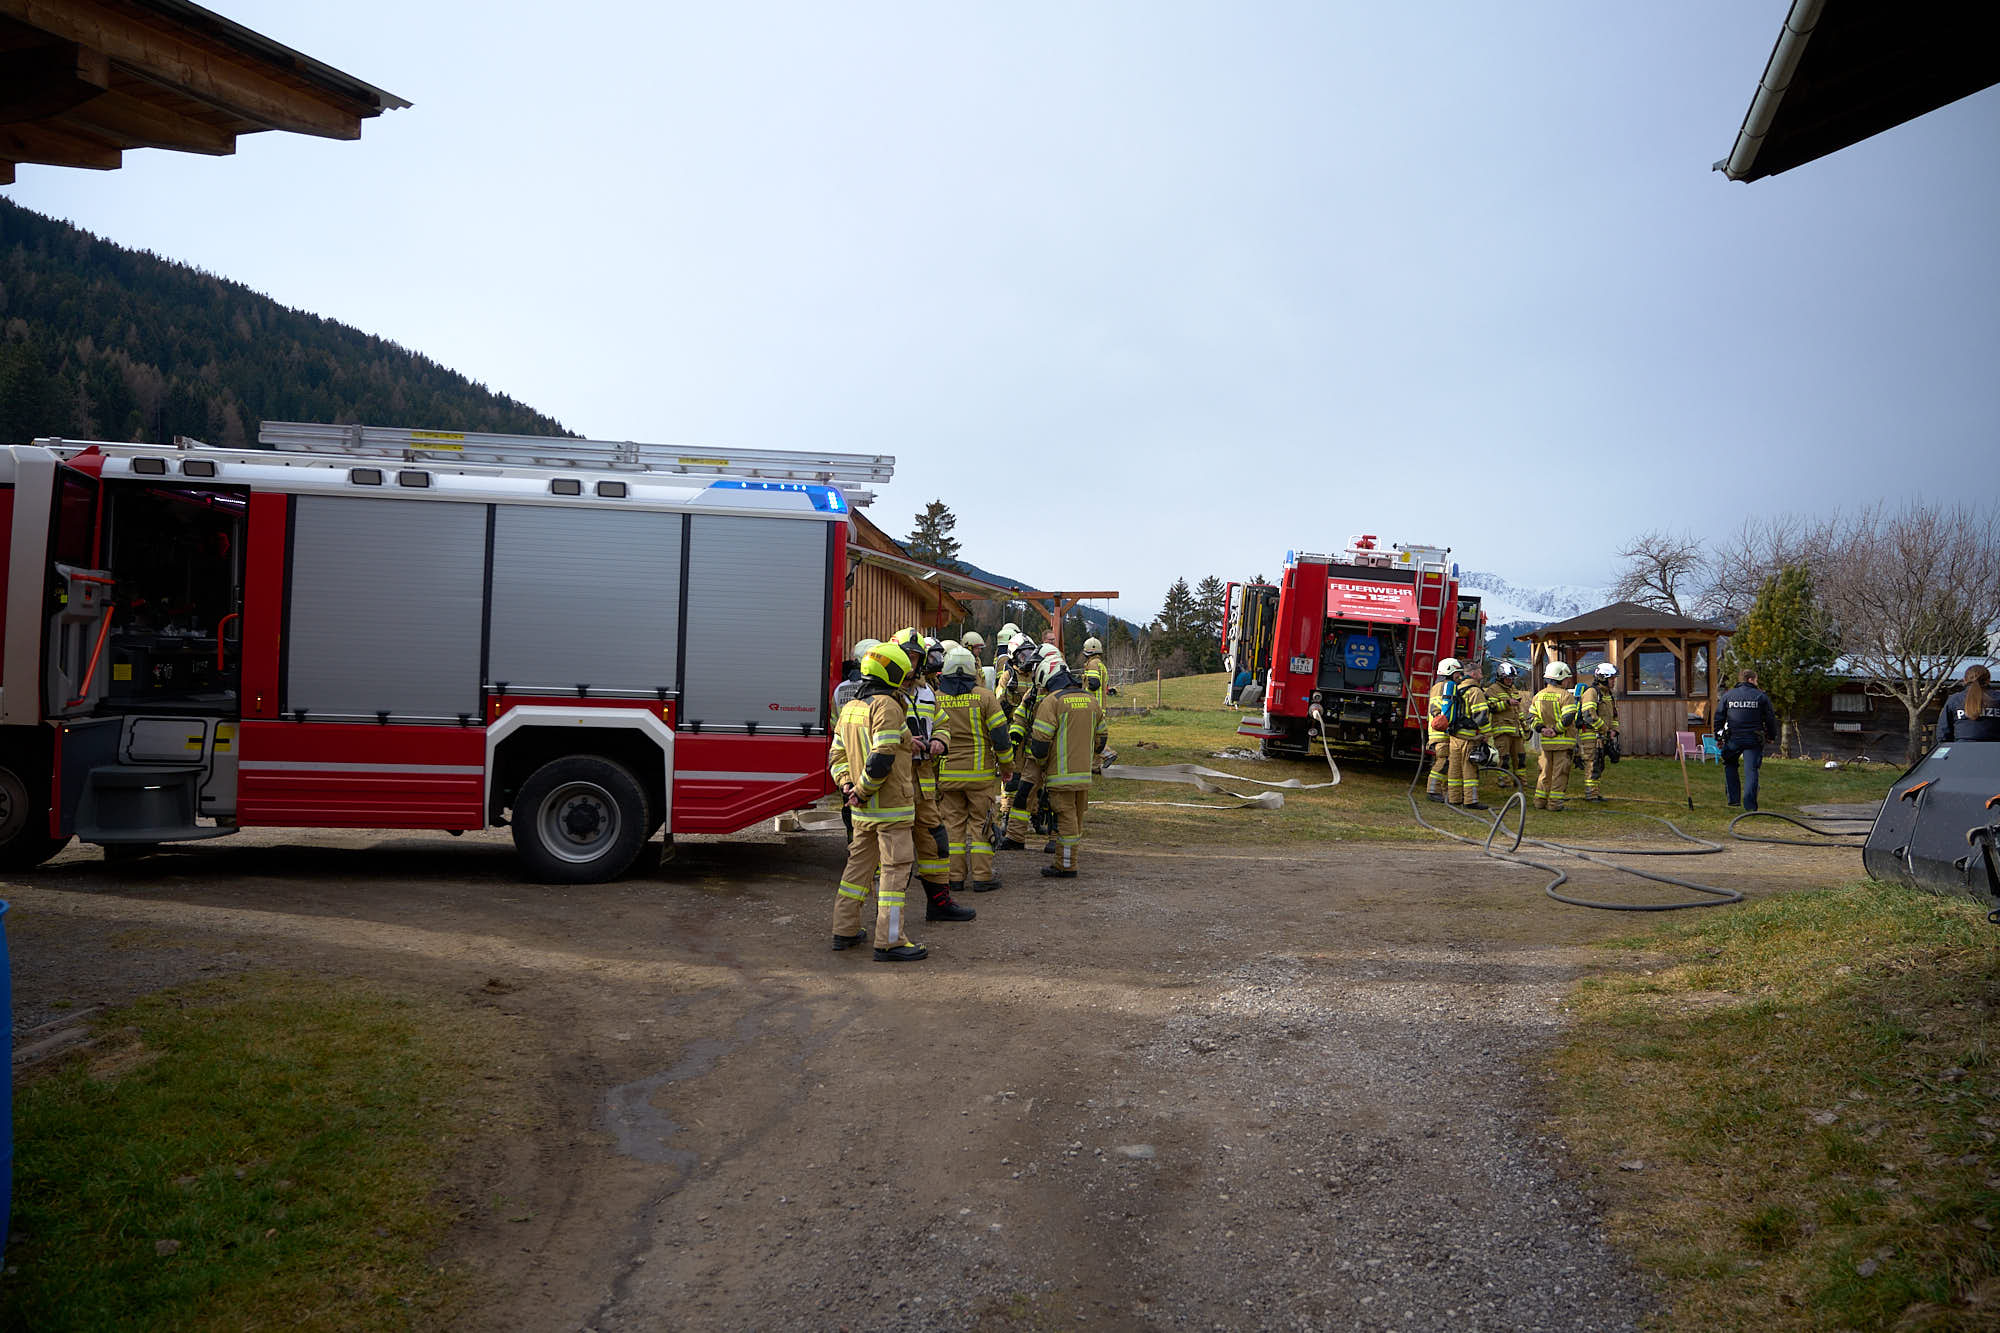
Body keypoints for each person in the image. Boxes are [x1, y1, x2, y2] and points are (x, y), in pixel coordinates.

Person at [827, 641, 927, 962]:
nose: (907, 678)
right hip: (890, 809)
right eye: (904, 673)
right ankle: (890, 941)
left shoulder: (852, 707)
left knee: (857, 869)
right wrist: (863, 789)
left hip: (863, 813)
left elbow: (837, 755)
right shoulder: (887, 706)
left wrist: (848, 786)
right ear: (893, 673)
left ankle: (844, 929)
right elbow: (882, 757)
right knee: (894, 874)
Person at [891, 629, 975, 924]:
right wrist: (905, 743)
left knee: (935, 843)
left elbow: (942, 723)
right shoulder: (885, 694)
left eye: (916, 658)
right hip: (895, 783)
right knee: (894, 851)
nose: (911, 663)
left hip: (924, 783)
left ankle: (939, 904)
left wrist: (940, 740)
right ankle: (885, 916)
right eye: (907, 657)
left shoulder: (927, 692)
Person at [935, 645, 1011, 893]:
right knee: (982, 825)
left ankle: (954, 877)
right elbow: (1000, 737)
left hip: (947, 777)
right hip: (980, 777)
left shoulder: (936, 698)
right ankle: (982, 877)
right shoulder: (986, 697)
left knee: (952, 827)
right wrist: (1007, 767)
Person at [1028, 654, 1106, 877]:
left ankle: (1067, 865)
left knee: (1066, 819)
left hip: (1060, 776)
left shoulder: (1052, 702)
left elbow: (1040, 744)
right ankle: (1065, 861)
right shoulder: (1091, 700)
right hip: (1084, 776)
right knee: (1076, 819)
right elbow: (1102, 739)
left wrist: (1041, 764)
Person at [1716, 668, 1779, 811]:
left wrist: (1718, 737)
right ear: (1751, 680)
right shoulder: (1761, 696)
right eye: (1756, 680)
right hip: (1753, 739)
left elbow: (1719, 717)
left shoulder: (1728, 695)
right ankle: (1750, 806)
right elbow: (1770, 719)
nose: (1757, 683)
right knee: (1751, 770)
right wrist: (1771, 736)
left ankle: (1733, 800)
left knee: (1730, 764)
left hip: (1733, 739)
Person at [1437, 658, 1493, 809]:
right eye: (1480, 672)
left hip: (1455, 735)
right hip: (1469, 737)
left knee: (1454, 769)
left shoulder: (1458, 687)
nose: (1482, 675)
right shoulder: (1475, 691)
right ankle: (1470, 801)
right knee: (1469, 770)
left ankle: (1454, 798)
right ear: (1473, 674)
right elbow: (1481, 716)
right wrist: (1486, 734)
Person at [1529, 660, 1581, 811]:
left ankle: (1539, 802)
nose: (1568, 681)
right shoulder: (1565, 696)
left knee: (1544, 773)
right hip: (1563, 743)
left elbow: (1532, 718)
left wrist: (1542, 730)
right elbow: (1568, 717)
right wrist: (1556, 730)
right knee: (1560, 773)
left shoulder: (1539, 696)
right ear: (1560, 678)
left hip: (1546, 743)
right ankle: (1555, 804)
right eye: (1566, 678)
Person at [1576, 661, 1620, 803]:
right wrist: (1606, 730)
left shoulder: (1608, 694)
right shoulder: (1592, 693)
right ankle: (1591, 795)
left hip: (1602, 736)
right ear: (1603, 678)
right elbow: (1589, 715)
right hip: (1591, 735)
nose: (1614, 681)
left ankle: (1595, 792)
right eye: (1611, 678)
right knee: (1592, 763)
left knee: (1599, 764)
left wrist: (1614, 730)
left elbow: (1614, 715)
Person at [1485, 660, 1528, 787]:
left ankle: (1521, 782)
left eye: (1512, 678)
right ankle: (1504, 782)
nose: (1510, 681)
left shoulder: (1513, 689)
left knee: (1520, 757)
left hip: (1516, 731)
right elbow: (1491, 707)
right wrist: (1507, 703)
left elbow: (1518, 710)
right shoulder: (1493, 690)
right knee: (1504, 758)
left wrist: (1525, 726)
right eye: (1508, 678)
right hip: (1502, 731)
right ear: (1500, 677)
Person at [1937, 664, 1998, 742]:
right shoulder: (1997, 698)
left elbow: (1943, 732)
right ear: (1988, 680)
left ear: (1965, 680)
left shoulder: (1955, 700)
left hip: (1962, 747)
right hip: (1994, 748)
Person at [1425, 661, 1456, 802]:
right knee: (1443, 762)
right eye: (1457, 673)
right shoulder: (1444, 687)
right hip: (1441, 733)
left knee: (1446, 762)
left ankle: (1443, 792)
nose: (1459, 676)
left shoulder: (1438, 686)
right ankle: (1433, 791)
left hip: (1439, 731)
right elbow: (1442, 709)